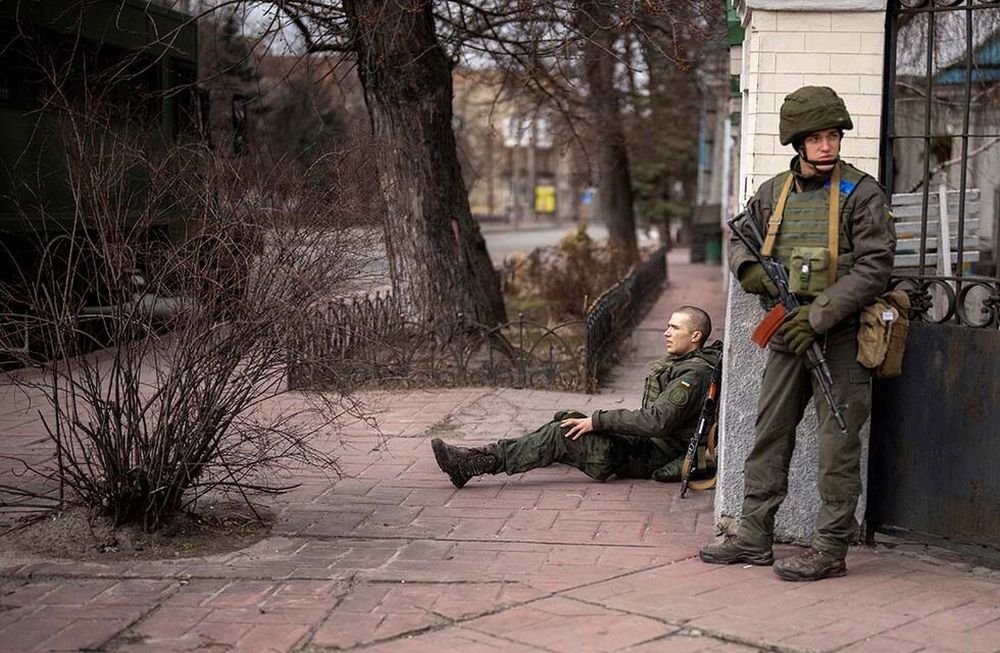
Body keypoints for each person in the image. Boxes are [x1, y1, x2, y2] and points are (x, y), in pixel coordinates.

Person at [699, 86, 896, 581]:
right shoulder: (773, 194)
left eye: (833, 136)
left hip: (844, 336)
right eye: (816, 138)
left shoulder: (862, 193)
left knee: (838, 447)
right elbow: (740, 239)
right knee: (769, 435)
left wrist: (820, 314)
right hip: (787, 333)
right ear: (798, 143)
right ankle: (752, 536)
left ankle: (829, 549)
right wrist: (754, 275)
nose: (827, 146)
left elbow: (875, 268)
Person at [431, 306, 722, 488]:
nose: (666, 332)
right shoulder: (688, 364)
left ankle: (474, 463)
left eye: (674, 328)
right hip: (645, 446)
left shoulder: (692, 375)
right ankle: (496, 455)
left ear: (695, 336)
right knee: (566, 420)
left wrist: (598, 421)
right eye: (667, 325)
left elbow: (657, 422)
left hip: (648, 455)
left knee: (563, 433)